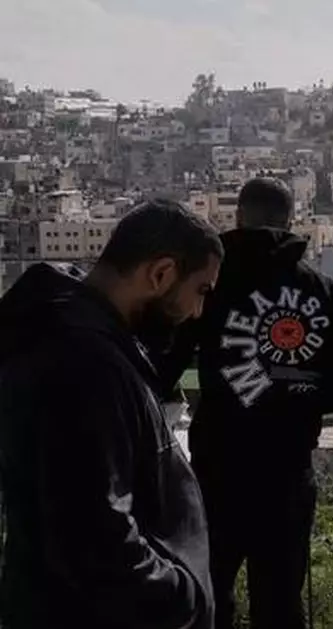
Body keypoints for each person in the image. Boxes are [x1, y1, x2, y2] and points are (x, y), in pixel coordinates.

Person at [0, 200, 223, 629]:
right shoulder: (82, 363)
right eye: (201, 291)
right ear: (161, 273)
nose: (197, 312)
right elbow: (92, 537)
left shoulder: (88, 343)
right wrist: (180, 597)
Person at [158, 177, 333, 629]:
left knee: (208, 597)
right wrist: (294, 394)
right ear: (291, 222)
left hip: (217, 469)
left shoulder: (209, 285)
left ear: (237, 218)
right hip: (288, 474)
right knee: (282, 605)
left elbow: (165, 366)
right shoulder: (324, 292)